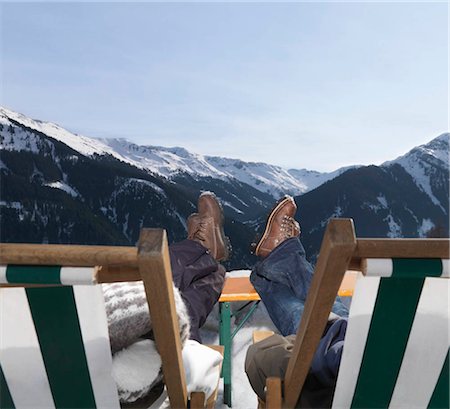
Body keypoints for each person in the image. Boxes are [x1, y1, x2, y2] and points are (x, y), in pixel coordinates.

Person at [245, 196, 349, 408]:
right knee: (330, 316)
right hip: (354, 350)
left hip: (336, 363)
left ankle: (282, 254)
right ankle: (280, 255)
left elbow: (257, 360)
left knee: (317, 324)